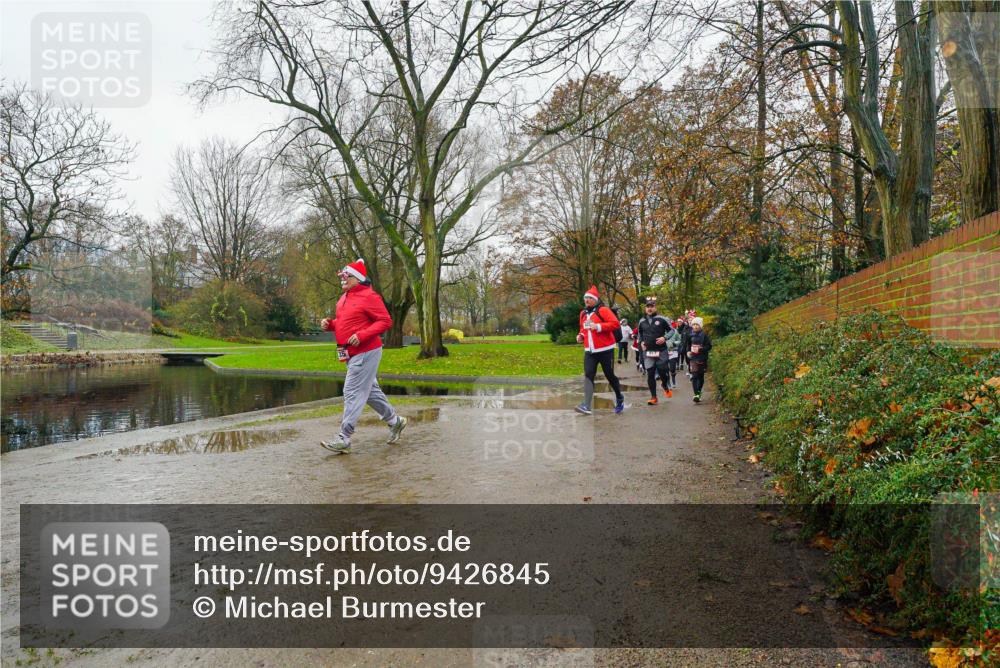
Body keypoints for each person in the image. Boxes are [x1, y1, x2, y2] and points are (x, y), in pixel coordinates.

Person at [319, 259, 407, 454]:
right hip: (349, 353)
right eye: (342, 276)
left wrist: (362, 335)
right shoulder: (344, 298)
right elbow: (346, 322)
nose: (342, 279)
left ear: (357, 278)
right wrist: (330, 324)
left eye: (346, 276)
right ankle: (395, 421)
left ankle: (344, 438)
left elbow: (385, 321)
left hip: (367, 351)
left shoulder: (369, 296)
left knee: (352, 391)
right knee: (370, 393)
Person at [575, 285, 626, 415]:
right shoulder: (583, 313)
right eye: (585, 298)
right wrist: (581, 335)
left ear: (595, 299)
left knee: (609, 375)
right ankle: (586, 405)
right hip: (590, 351)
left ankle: (619, 397)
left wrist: (598, 326)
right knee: (588, 375)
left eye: (589, 298)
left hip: (605, 350)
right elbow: (583, 328)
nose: (586, 300)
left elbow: (615, 324)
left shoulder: (603, 310)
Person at [636, 298, 678, 405]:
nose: (649, 309)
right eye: (648, 307)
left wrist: (664, 338)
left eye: (652, 306)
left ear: (655, 308)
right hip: (648, 351)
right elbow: (640, 334)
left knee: (662, 369)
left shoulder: (662, 319)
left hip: (661, 350)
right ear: (645, 309)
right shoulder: (642, 321)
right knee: (650, 373)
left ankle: (664, 384)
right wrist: (641, 342)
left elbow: (672, 330)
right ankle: (653, 397)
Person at [685, 316, 712, 403]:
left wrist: (701, 349)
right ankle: (696, 394)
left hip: (702, 358)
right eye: (694, 324)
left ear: (700, 326)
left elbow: (709, 346)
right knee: (694, 376)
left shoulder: (704, 336)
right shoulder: (690, 335)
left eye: (697, 325)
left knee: (700, 377)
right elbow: (688, 345)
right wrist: (688, 351)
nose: (695, 326)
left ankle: (699, 392)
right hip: (693, 358)